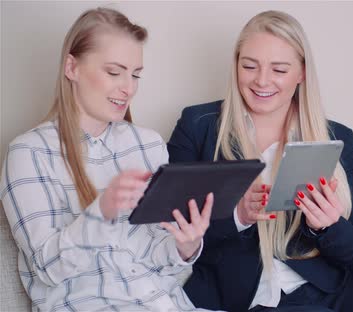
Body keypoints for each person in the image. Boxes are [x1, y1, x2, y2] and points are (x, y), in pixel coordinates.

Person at [168, 10, 353, 312]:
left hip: (338, 285)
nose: (262, 81)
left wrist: (328, 227)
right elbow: (166, 224)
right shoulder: (199, 126)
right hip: (250, 295)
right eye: (249, 66)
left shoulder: (336, 137)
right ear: (236, 66)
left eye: (279, 70)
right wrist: (237, 216)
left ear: (301, 73)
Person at [0, 7, 214, 311]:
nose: (129, 87)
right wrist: (101, 212)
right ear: (71, 68)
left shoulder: (148, 144)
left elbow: (158, 261)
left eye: (136, 74)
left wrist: (185, 245)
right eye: (114, 72)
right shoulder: (28, 153)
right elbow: (47, 270)